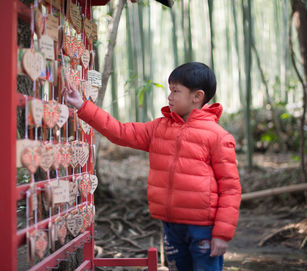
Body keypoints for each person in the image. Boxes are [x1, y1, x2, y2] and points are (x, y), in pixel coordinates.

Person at [62, 62, 241, 271]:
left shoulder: (218, 137)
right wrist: (83, 106)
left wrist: (221, 234)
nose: (170, 96)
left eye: (176, 91)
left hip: (204, 228)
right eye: (170, 90)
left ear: (197, 96)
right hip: (171, 224)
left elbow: (230, 188)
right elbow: (120, 132)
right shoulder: (159, 128)